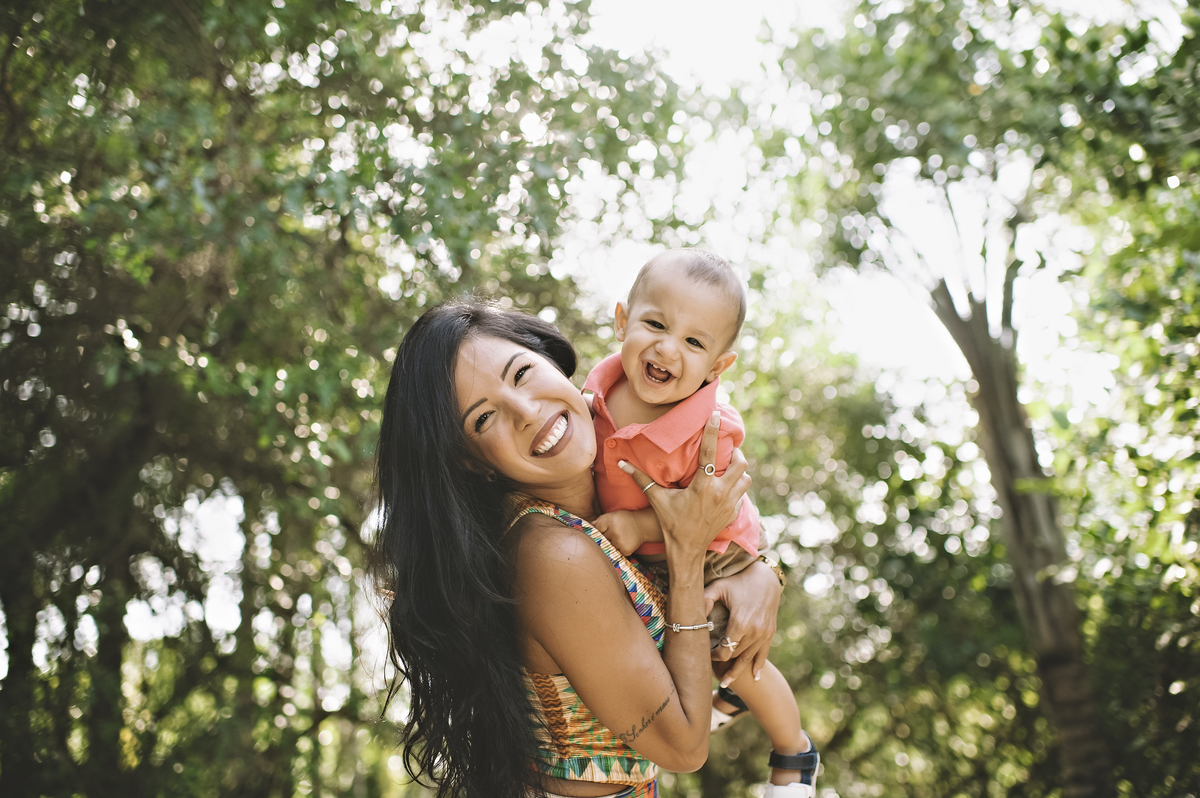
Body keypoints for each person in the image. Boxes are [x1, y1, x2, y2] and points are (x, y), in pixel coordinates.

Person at [372, 299, 786, 798]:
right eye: (484, 420)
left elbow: (720, 527)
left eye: (521, 373)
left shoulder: (611, 498)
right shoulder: (552, 553)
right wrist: (687, 547)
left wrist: (760, 572)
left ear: (550, 362)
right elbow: (683, 747)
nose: (527, 412)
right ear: (472, 463)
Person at [584, 249, 818, 796]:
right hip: (653, 555)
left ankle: (794, 752)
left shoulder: (708, 432)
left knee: (731, 655)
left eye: (694, 342)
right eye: (655, 324)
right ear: (623, 320)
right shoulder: (590, 396)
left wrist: (640, 529)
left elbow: (711, 509)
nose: (668, 347)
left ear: (717, 366)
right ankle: (731, 695)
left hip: (716, 550)